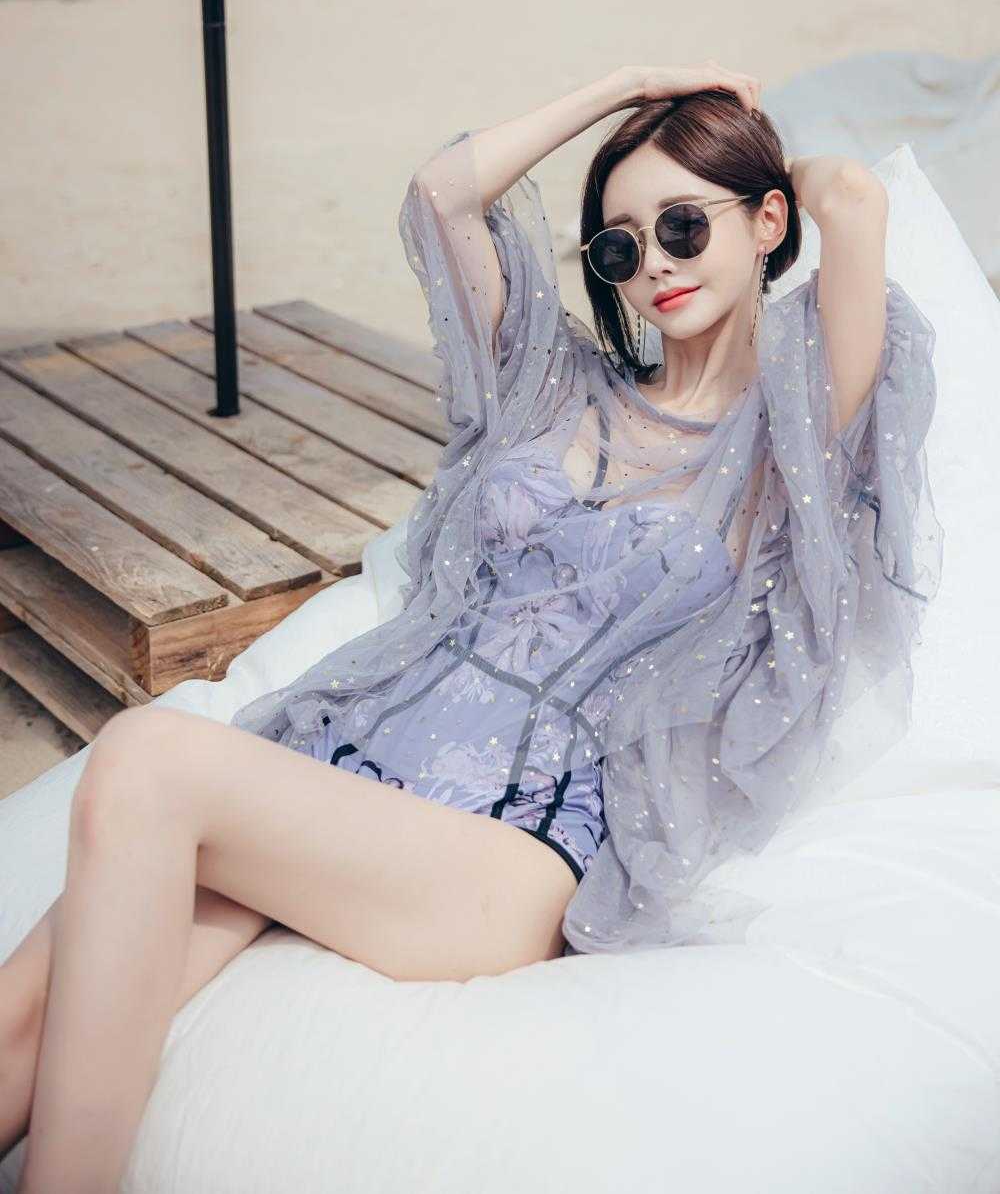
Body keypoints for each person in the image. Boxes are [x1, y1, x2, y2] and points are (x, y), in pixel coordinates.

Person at [0, 63, 943, 1190]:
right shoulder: (553, 387)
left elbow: (855, 200)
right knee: (25, 1011)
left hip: (509, 851)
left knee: (147, 754)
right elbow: (441, 196)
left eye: (686, 227)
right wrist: (627, 87)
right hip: (349, 777)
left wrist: (755, 157)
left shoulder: (784, 444)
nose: (655, 263)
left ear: (766, 223)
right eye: (620, 246)